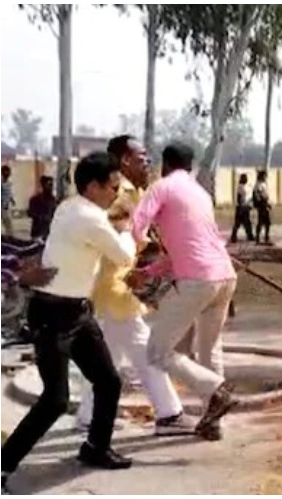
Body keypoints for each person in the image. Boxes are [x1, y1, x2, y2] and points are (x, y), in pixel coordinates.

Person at [2, 152, 136, 494]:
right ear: (93, 187)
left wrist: (115, 226)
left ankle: (95, 448)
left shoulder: (70, 206)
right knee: (55, 400)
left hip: (78, 311)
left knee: (108, 380)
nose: (117, 194)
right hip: (53, 316)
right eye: (113, 187)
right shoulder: (90, 218)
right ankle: (4, 462)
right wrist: (129, 231)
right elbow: (123, 257)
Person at [76, 135, 195, 436]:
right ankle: (169, 415)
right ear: (126, 160)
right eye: (142, 157)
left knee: (110, 356)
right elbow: (119, 235)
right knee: (147, 352)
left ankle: (89, 414)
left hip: (112, 287)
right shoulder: (119, 194)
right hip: (115, 286)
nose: (148, 162)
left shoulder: (134, 191)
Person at [128, 143, 239, 442]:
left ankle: (216, 391)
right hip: (225, 276)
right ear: (189, 166)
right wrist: (148, 273)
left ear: (165, 164)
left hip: (197, 281)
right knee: (209, 349)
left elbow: (136, 226)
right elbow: (184, 250)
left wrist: (131, 256)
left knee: (157, 351)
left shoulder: (161, 187)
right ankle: (213, 421)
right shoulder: (200, 193)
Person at [27, 175, 57, 240]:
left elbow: (54, 213)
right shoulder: (35, 199)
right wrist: (41, 217)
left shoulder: (53, 199)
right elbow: (30, 213)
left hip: (49, 232)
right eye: (49, 184)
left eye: (52, 185)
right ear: (43, 185)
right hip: (37, 232)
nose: (51, 187)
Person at [229, 173, 255, 243]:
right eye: (244, 178)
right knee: (238, 223)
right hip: (241, 207)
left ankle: (250, 236)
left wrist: (250, 204)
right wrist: (240, 206)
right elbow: (239, 197)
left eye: (246, 178)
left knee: (247, 223)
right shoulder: (240, 187)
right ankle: (233, 237)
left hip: (246, 206)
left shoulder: (247, 186)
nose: (246, 179)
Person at [252, 170, 272, 245]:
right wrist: (264, 203)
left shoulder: (263, 184)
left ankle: (265, 237)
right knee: (262, 222)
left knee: (266, 222)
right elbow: (260, 195)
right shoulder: (259, 185)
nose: (266, 177)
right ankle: (260, 238)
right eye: (265, 176)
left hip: (264, 204)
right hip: (262, 205)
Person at [2, 165, 15, 236]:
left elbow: (9, 193)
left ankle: (10, 236)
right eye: (6, 172)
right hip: (1, 206)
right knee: (7, 221)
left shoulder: (9, 183)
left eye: (9, 172)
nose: (8, 174)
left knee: (8, 222)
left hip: (6, 206)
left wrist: (12, 200)